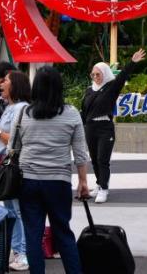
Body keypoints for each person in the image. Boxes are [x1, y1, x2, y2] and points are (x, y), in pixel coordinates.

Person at [17, 65, 90, 274]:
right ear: (59, 87)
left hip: (28, 180)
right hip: (58, 181)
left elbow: (14, 147)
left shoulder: (24, 113)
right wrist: (83, 182)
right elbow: (80, 153)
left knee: (33, 234)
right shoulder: (71, 113)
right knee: (63, 233)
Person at [0, 70, 31, 272]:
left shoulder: (21, 108)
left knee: (18, 211)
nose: (1, 84)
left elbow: (16, 139)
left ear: (16, 86)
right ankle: (17, 249)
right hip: (4, 164)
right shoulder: (11, 107)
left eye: (6, 81)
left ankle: (23, 253)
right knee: (11, 210)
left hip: (13, 166)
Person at [82, 49, 146, 203]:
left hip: (105, 128)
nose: (96, 77)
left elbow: (122, 76)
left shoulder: (111, 87)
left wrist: (132, 62)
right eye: (93, 74)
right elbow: (84, 110)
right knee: (94, 160)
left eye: (99, 74)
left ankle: (104, 188)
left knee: (102, 159)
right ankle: (98, 183)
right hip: (90, 128)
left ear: (105, 73)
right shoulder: (89, 90)